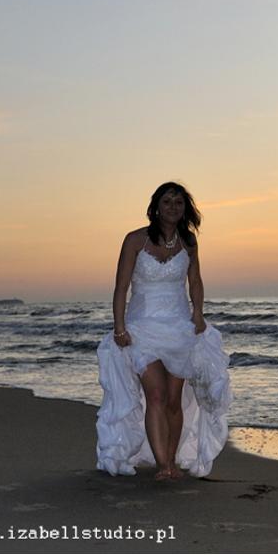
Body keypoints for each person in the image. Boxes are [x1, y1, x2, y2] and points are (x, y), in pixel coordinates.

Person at [96, 182, 232, 480]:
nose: (173, 207)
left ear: (186, 209)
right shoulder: (134, 240)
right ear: (156, 206)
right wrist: (119, 326)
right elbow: (120, 287)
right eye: (167, 201)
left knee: (173, 399)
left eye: (179, 202)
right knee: (155, 395)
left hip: (180, 328)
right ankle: (163, 465)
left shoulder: (189, 241)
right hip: (142, 327)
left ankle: (171, 459)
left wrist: (198, 313)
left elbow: (195, 282)